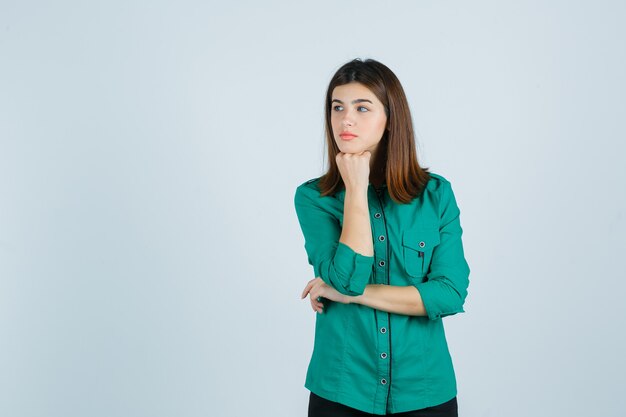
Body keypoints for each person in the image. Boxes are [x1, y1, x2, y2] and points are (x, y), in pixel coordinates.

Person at [293, 58, 471, 417]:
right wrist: (356, 189)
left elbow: (450, 293)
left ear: (390, 119)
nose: (346, 119)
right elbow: (347, 278)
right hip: (342, 390)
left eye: (362, 107)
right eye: (337, 107)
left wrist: (346, 295)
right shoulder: (314, 198)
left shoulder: (435, 195)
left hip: (424, 390)